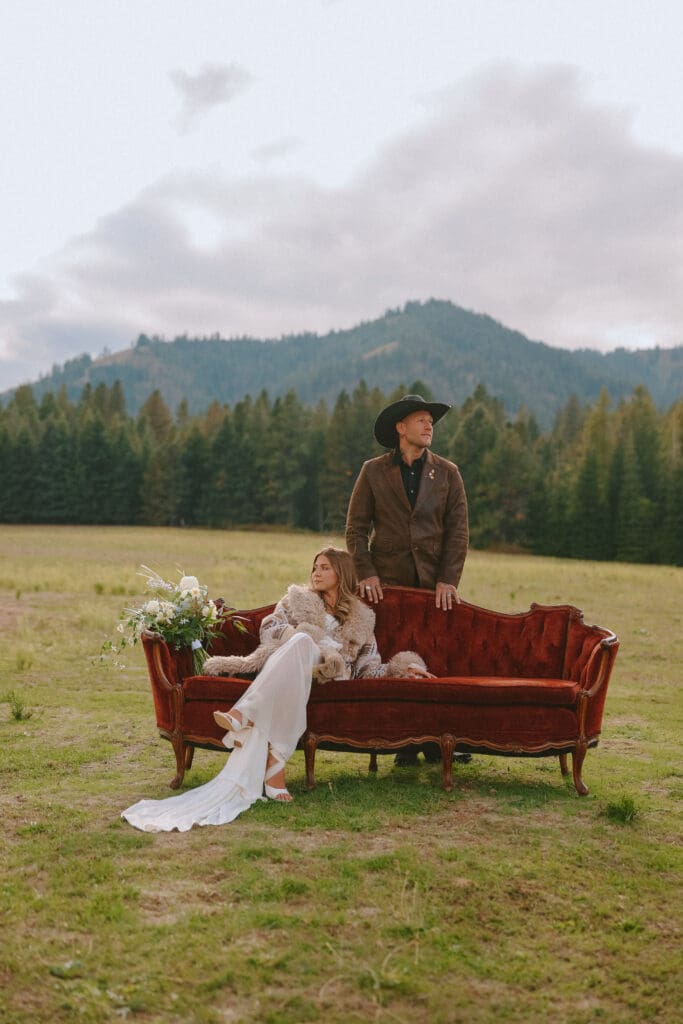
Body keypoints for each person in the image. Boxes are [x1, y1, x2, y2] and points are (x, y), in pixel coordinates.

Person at [121, 547, 432, 832]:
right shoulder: (295, 599)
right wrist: (299, 636)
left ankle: (245, 713)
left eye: (324, 567)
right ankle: (275, 768)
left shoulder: (361, 618)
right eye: (315, 567)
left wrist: (402, 669)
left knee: (303, 641)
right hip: (294, 668)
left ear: (342, 572)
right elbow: (269, 628)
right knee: (301, 641)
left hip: (330, 673)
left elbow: (367, 668)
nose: (316, 573)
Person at [345, 393, 469, 766]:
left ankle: (437, 740)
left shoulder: (448, 472)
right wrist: (366, 572)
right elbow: (355, 529)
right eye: (421, 420)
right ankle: (401, 742)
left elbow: (458, 532)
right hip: (387, 587)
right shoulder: (372, 471)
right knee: (395, 658)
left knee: (436, 657)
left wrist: (448, 580)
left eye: (431, 421)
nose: (429, 425)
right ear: (401, 428)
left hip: (434, 588)